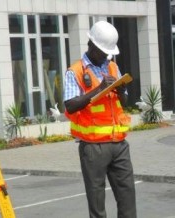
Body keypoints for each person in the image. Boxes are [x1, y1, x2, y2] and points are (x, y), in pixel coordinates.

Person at [64, 21, 136, 218]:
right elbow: (70, 105)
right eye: (103, 51)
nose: (106, 56)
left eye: (108, 52)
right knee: (97, 202)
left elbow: (125, 101)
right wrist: (99, 89)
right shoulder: (76, 71)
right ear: (91, 45)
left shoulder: (113, 67)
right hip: (93, 147)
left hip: (119, 143)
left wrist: (121, 90)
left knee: (127, 197)